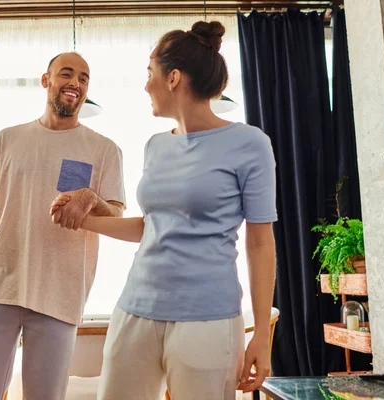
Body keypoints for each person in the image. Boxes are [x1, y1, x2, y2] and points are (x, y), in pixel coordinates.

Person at [51, 21, 277, 400]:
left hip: (208, 319)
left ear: (173, 78)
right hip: (135, 309)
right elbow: (151, 226)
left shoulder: (249, 144)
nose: (145, 85)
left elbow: (260, 243)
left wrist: (264, 340)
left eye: (149, 73)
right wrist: (83, 220)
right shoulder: (156, 146)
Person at [0, 52, 126, 400]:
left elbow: (116, 218)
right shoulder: (7, 139)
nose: (75, 83)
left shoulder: (105, 150)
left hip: (60, 294)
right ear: (46, 80)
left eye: (84, 78)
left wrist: (90, 197)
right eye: (66, 74)